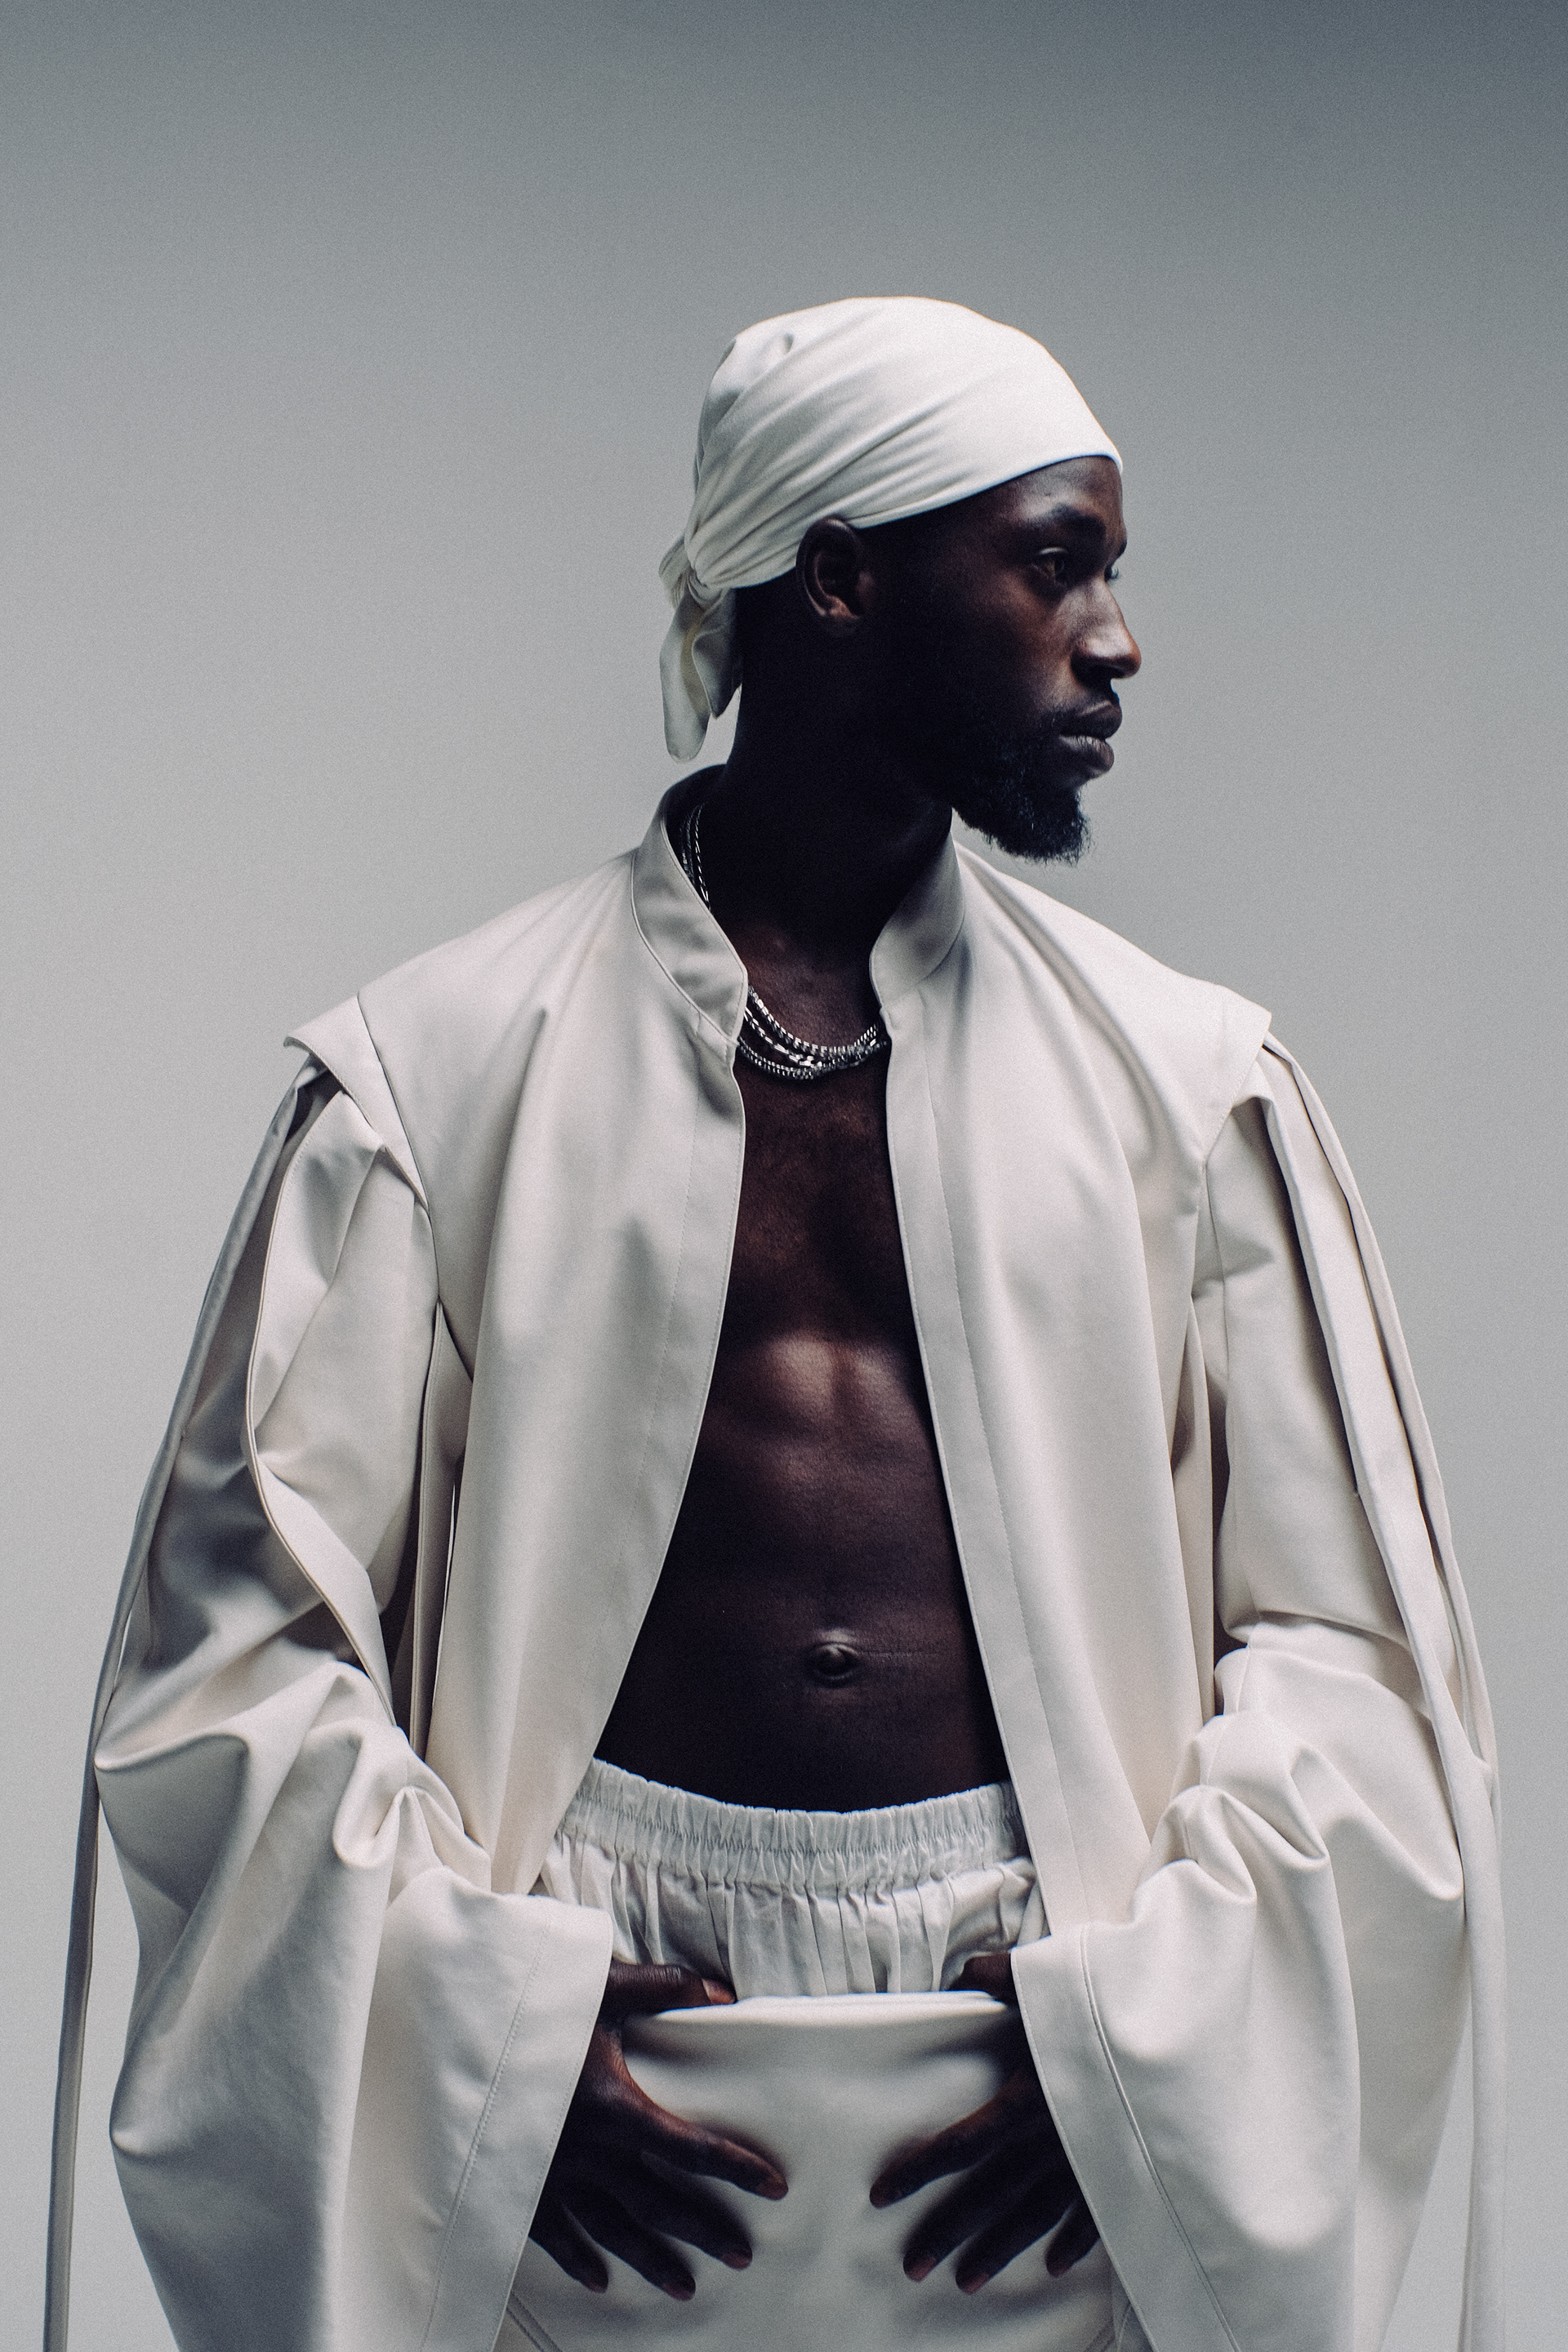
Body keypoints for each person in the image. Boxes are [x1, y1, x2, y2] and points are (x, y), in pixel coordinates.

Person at [48, 298, 1503, 2352]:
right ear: (838, 579)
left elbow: (1355, 1653)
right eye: (1056, 563)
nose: (1117, 640)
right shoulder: (434, 1086)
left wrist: (1146, 2041)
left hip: (1036, 2071)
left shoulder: (1187, 1093)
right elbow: (233, 1662)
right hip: (603, 2062)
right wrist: (481, 2035)